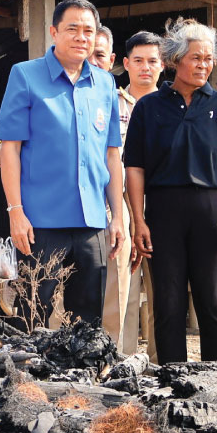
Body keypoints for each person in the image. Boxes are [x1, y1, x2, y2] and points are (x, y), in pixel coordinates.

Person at [124, 18, 217, 363]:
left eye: (208, 59)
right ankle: (173, 379)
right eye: (196, 58)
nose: (204, 65)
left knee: (213, 301)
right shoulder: (149, 107)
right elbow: (134, 168)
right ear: (176, 59)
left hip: (216, 210)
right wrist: (138, 220)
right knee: (168, 302)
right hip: (164, 211)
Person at [0, 0, 125, 326]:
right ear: (54, 32)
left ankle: (80, 378)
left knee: (87, 319)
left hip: (92, 221)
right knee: (32, 314)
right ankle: (27, 377)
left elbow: (112, 154)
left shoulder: (105, 83)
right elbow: (9, 148)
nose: (82, 37)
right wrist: (15, 212)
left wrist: (118, 217)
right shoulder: (25, 75)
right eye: (73, 29)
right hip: (41, 221)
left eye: (89, 30)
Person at [89, 25, 134, 346]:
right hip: (74, 207)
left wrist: (123, 215)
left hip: (117, 205)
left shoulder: (123, 104)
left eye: (100, 55)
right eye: (88, 53)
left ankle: (111, 361)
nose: (92, 60)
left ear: (112, 60)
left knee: (117, 289)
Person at [119, 31, 164, 357]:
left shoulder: (171, 105)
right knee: (124, 290)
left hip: (162, 206)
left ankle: (163, 365)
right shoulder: (110, 102)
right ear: (126, 64)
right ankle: (123, 362)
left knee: (164, 288)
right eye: (138, 61)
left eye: (152, 61)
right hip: (119, 206)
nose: (145, 67)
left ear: (163, 65)